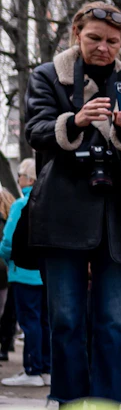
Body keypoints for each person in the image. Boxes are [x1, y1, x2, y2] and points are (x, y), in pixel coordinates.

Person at [23, 2, 121, 407]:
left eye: (112, 41)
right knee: (65, 320)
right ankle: (67, 404)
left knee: (115, 322)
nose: (103, 48)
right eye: (94, 38)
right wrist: (77, 120)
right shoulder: (48, 76)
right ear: (76, 34)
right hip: (62, 211)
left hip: (119, 214)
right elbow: (35, 130)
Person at [0, 163, 45, 389]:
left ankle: (32, 368)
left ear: (28, 179)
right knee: (44, 322)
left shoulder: (20, 205)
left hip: (23, 272)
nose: (18, 180)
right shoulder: (49, 204)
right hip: (45, 273)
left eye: (19, 176)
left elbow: (8, 241)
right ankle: (45, 368)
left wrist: (8, 260)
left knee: (29, 322)